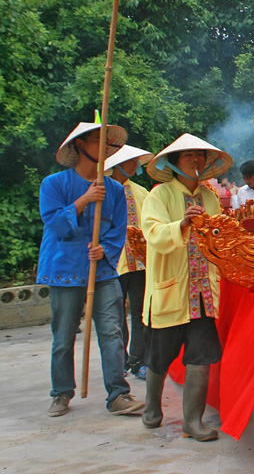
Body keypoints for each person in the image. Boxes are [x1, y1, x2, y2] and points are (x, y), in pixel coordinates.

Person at [38, 122, 144, 417]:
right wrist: (85, 200)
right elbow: (56, 224)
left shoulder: (114, 189)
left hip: (103, 270)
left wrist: (105, 251)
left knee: (112, 331)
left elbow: (118, 231)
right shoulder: (54, 184)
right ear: (79, 145)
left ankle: (118, 394)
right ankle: (61, 392)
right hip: (64, 268)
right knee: (63, 335)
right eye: (99, 141)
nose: (106, 147)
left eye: (108, 143)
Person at [140, 133, 232, 442]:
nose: (195, 160)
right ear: (174, 163)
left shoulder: (210, 197)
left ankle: (193, 421)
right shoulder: (159, 195)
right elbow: (153, 233)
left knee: (201, 355)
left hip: (204, 292)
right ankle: (152, 409)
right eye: (188, 155)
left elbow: (219, 236)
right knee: (159, 357)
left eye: (200, 155)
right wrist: (181, 224)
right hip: (171, 291)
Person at [105, 144, 154, 379]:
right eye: (131, 161)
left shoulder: (142, 192)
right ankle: (119, 360)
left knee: (140, 313)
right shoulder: (103, 191)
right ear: (118, 164)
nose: (136, 165)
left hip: (140, 262)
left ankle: (139, 360)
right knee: (114, 315)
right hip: (112, 263)